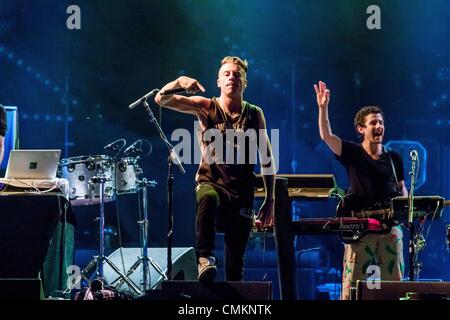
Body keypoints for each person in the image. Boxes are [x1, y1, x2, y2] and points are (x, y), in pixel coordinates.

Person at [155, 56, 275, 281]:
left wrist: (270, 200)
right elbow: (161, 99)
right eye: (227, 74)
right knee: (208, 197)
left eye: (237, 75)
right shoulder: (206, 106)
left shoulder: (254, 114)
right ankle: (205, 258)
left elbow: (266, 157)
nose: (232, 78)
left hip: (241, 191)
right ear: (219, 81)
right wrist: (179, 82)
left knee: (235, 265)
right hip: (211, 181)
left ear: (245, 83)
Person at [314, 81, 408, 300]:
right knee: (354, 287)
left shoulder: (394, 158)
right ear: (361, 129)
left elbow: (401, 188)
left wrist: (408, 208)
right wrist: (323, 107)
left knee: (394, 288)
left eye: (381, 122)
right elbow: (326, 135)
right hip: (361, 231)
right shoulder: (352, 153)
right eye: (374, 123)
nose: (379, 127)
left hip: (390, 232)